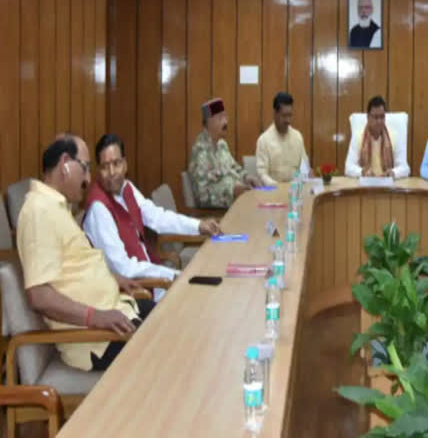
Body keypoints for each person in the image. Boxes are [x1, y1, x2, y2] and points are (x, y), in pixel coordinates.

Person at [16, 135, 152, 371]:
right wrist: (95, 317)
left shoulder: (56, 206)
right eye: (86, 168)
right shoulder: (39, 212)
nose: (89, 179)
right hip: (96, 338)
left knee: (177, 318)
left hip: (116, 313)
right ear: (66, 164)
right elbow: (39, 296)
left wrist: (113, 279)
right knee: (172, 346)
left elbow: (73, 268)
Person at [83, 134, 222, 296]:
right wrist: (170, 274)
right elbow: (124, 269)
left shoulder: (127, 188)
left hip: (154, 279)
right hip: (137, 292)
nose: (112, 172)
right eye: (105, 167)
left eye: (116, 163)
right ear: (99, 170)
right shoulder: (99, 209)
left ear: (125, 165)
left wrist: (198, 225)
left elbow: (157, 217)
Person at [188, 98, 258, 208]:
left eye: (226, 117)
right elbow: (202, 198)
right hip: (214, 216)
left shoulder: (222, 145)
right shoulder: (200, 152)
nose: (226, 122)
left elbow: (234, 168)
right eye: (220, 118)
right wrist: (231, 190)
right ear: (209, 121)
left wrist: (246, 177)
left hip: (233, 205)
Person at [345, 96, 410, 179]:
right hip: (366, 186)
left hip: (387, 186)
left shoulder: (394, 136)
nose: (379, 121)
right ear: (368, 118)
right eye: (375, 117)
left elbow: (405, 168)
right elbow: (348, 167)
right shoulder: (358, 137)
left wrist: (393, 172)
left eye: (382, 117)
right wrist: (362, 172)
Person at [255, 92, 310, 185]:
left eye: (290, 115)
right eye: (284, 116)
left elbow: (304, 167)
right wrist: (279, 187)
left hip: (295, 191)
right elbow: (262, 174)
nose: (288, 120)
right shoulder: (263, 140)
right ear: (275, 114)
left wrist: (299, 182)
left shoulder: (297, 137)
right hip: (273, 192)